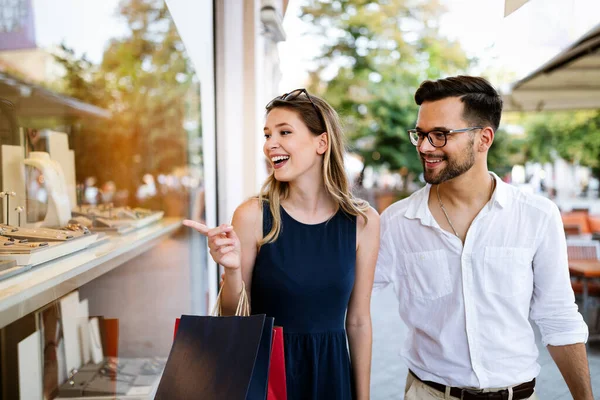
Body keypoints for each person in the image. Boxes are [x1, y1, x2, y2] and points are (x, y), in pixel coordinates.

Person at [374, 76, 592, 400]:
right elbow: (346, 301)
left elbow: (557, 318)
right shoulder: (396, 222)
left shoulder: (536, 215)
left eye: (439, 135)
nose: (423, 146)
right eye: (420, 135)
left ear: (483, 138)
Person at [184, 88, 380, 400]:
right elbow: (233, 321)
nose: (269, 144)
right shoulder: (252, 216)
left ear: (322, 142)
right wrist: (232, 271)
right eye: (267, 134)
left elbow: (358, 321)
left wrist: (363, 397)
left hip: (332, 377)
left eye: (284, 132)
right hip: (268, 381)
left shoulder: (363, 221)